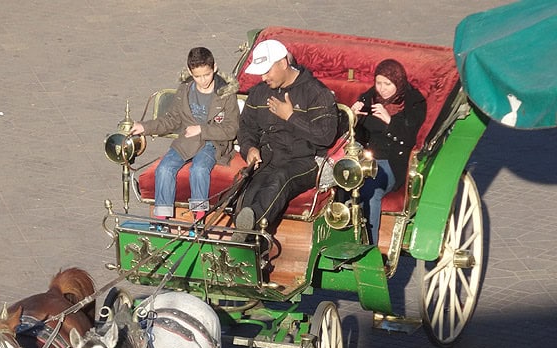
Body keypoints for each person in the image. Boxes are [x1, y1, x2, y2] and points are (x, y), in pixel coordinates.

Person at [234, 39, 338, 241]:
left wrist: (291, 117)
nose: (263, 77)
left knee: (280, 179)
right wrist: (250, 149)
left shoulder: (317, 93)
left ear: (283, 63)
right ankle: (248, 245)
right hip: (268, 158)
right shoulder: (258, 93)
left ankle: (249, 229)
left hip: (305, 160)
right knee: (250, 191)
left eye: (267, 71)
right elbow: (246, 127)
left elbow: (325, 136)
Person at [129, 47, 239, 228]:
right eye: (197, 76)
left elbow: (231, 129)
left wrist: (202, 130)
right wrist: (144, 127)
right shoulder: (185, 90)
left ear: (215, 68)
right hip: (186, 142)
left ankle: (199, 217)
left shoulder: (225, 93)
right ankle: (161, 220)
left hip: (212, 143)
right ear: (190, 72)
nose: (203, 80)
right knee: (164, 169)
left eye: (207, 75)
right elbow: (171, 120)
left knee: (200, 169)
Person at [350, 59, 426, 244]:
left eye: (388, 84)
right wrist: (352, 118)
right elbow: (355, 136)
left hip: (392, 162)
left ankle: (369, 245)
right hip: (364, 158)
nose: (382, 89)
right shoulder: (369, 97)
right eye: (378, 83)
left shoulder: (413, 102)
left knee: (370, 190)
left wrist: (389, 121)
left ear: (398, 83)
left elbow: (409, 139)